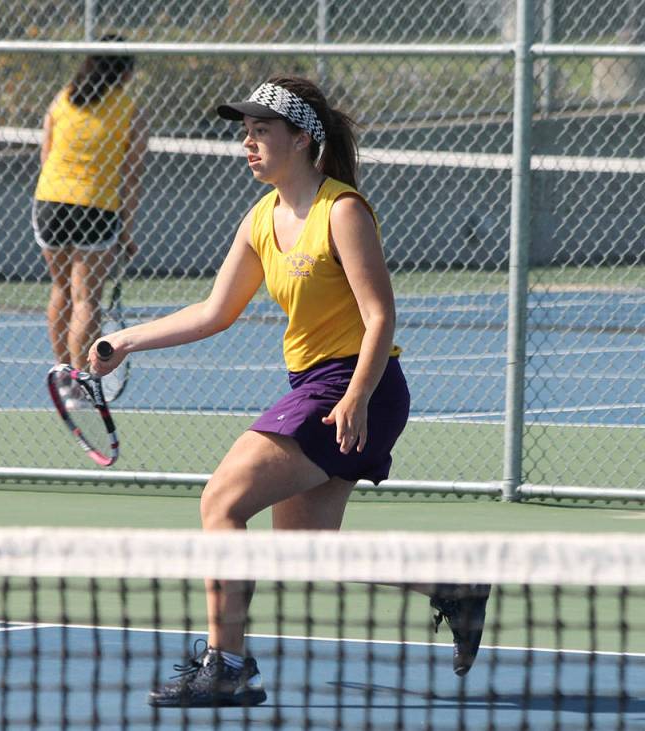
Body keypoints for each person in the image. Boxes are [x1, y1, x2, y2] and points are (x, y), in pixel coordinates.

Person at [87, 76, 491, 707]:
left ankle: (227, 665)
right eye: (244, 133)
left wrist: (355, 396)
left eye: (261, 132)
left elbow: (380, 316)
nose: (247, 144)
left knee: (223, 499)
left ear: (302, 138)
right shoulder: (260, 220)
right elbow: (215, 311)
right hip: (318, 384)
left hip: (358, 384)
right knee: (308, 553)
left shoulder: (343, 211)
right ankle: (453, 585)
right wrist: (127, 340)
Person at [33, 35, 147, 391]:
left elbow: (46, 153)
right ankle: (80, 383)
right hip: (95, 207)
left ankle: (63, 375)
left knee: (62, 290)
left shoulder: (63, 98)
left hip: (49, 202)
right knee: (87, 300)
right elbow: (132, 174)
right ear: (124, 73)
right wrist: (127, 230)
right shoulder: (130, 110)